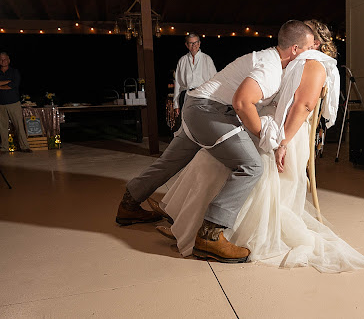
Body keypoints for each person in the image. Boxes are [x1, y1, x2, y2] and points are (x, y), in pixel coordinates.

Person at [153, 21, 364, 273]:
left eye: (308, 38)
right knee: (210, 159)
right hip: (263, 123)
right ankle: (191, 226)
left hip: (286, 132)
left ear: (315, 43)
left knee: (246, 165)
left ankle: (213, 232)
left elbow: (302, 107)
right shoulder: (289, 61)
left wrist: (281, 142)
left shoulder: (313, 63)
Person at [115, 20, 316, 264]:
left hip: (197, 105)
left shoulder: (268, 59)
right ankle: (210, 234)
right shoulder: (271, 68)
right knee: (252, 166)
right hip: (209, 112)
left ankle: (129, 203)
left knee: (170, 162)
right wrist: (269, 140)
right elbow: (242, 103)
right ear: (294, 49)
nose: (310, 57)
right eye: (307, 50)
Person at [173, 34, 217, 124]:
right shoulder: (182, 60)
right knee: (186, 125)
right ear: (186, 45)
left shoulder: (207, 59)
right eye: (191, 43)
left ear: (199, 43)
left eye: (196, 42)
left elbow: (214, 80)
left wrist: (215, 101)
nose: (194, 45)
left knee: (203, 124)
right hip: (186, 97)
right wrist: (176, 104)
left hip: (203, 97)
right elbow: (177, 83)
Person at [0, 52, 31, 153]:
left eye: (5, 59)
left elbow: (13, 85)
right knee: (2, 127)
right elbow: (9, 83)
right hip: (1, 104)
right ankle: (4, 148)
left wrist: (3, 85)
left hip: (13, 102)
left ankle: (24, 147)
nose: (3, 61)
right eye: (1, 59)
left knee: (19, 126)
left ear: (8, 60)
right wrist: (7, 82)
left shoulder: (14, 72)